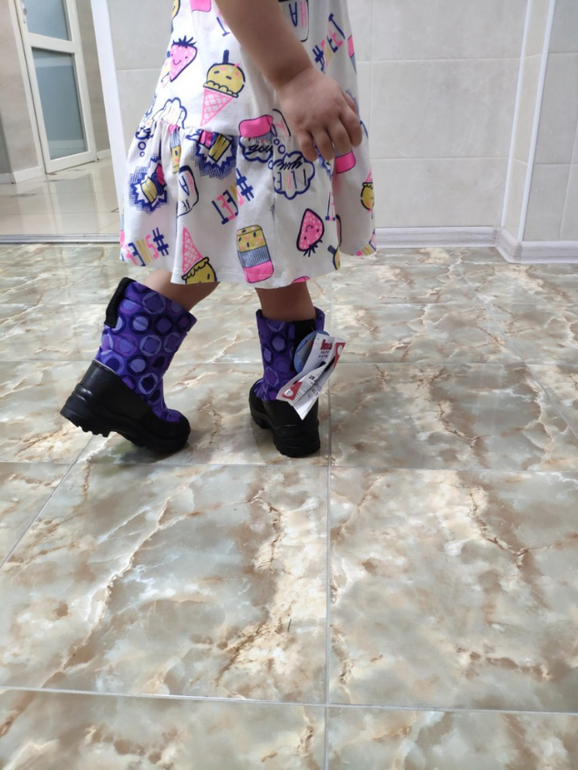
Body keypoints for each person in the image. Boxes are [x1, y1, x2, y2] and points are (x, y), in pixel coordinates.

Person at [61, 0, 376, 457]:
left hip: (232, 101)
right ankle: (288, 407)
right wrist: (295, 76)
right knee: (262, 249)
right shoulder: (287, 80)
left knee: (251, 254)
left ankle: (122, 375)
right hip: (256, 98)